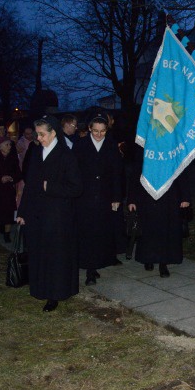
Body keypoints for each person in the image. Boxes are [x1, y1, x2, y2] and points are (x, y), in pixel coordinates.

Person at [16, 115, 83, 312]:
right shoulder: (36, 153)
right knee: (39, 252)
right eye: (37, 134)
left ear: (53, 133)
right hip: (37, 214)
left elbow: (77, 188)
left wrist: (51, 187)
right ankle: (40, 288)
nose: (39, 138)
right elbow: (29, 185)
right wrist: (23, 211)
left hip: (58, 216)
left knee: (55, 256)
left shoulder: (66, 155)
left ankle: (55, 294)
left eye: (42, 134)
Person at [73, 112, 123, 285]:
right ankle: (89, 270)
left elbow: (117, 173)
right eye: (96, 131)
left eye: (102, 131)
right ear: (89, 129)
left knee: (100, 232)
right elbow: (74, 172)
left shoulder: (111, 145)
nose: (99, 134)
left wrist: (116, 197)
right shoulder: (80, 145)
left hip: (104, 196)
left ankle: (97, 264)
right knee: (87, 233)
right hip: (84, 197)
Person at [127, 147, 191, 278]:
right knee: (149, 228)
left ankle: (163, 262)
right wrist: (132, 199)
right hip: (147, 194)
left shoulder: (173, 146)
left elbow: (181, 170)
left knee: (165, 229)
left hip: (169, 195)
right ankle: (148, 258)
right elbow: (135, 174)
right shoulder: (143, 146)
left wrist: (185, 196)